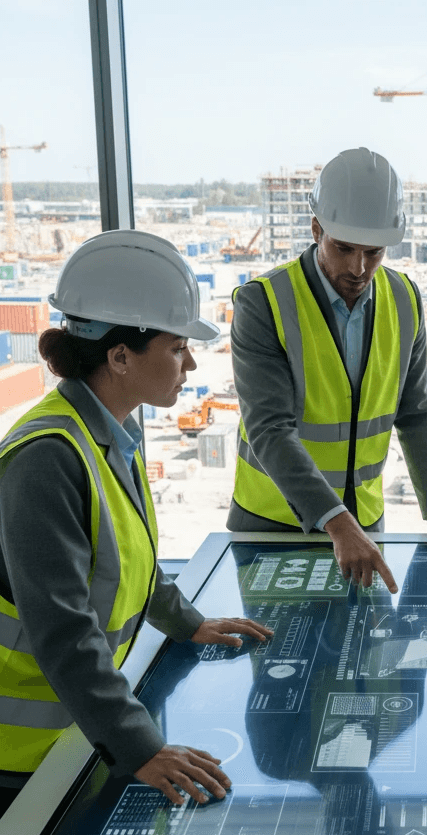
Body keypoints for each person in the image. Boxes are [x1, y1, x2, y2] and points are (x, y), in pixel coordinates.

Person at [0, 230, 274, 816]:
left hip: (78, 729)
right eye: (177, 347)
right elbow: (62, 630)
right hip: (20, 752)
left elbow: (130, 562)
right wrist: (141, 747)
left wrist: (187, 622)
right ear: (120, 355)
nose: (191, 363)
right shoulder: (47, 456)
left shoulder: (107, 430)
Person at [228, 147, 427, 592]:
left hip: (364, 523)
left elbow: (416, 413)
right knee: (282, 657)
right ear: (316, 229)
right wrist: (337, 522)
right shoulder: (264, 302)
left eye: (373, 251)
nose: (358, 267)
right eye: (344, 248)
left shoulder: (405, 298)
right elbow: (270, 428)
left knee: (364, 655)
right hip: (273, 523)